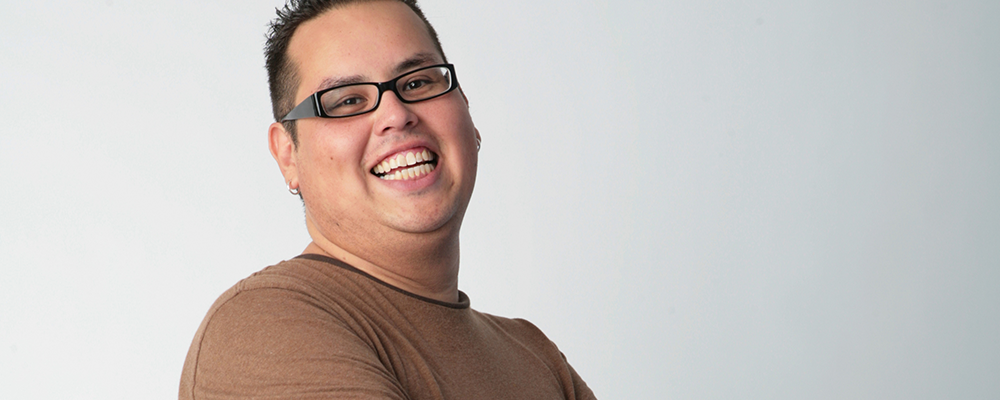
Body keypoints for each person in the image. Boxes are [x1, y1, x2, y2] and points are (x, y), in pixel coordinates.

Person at [179, 0, 596, 398]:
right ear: (288, 154)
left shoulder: (535, 356)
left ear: (467, 111)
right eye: (347, 101)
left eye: (417, 82)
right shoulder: (263, 326)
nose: (396, 114)